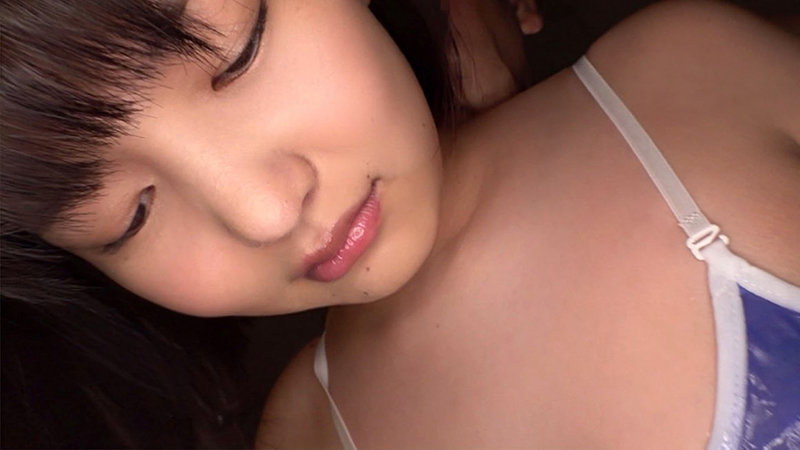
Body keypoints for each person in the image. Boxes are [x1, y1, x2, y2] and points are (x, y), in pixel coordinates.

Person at [2, 1, 798, 450]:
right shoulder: (305, 433)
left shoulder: (683, 83)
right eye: (129, 218)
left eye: (240, 54)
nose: (265, 212)